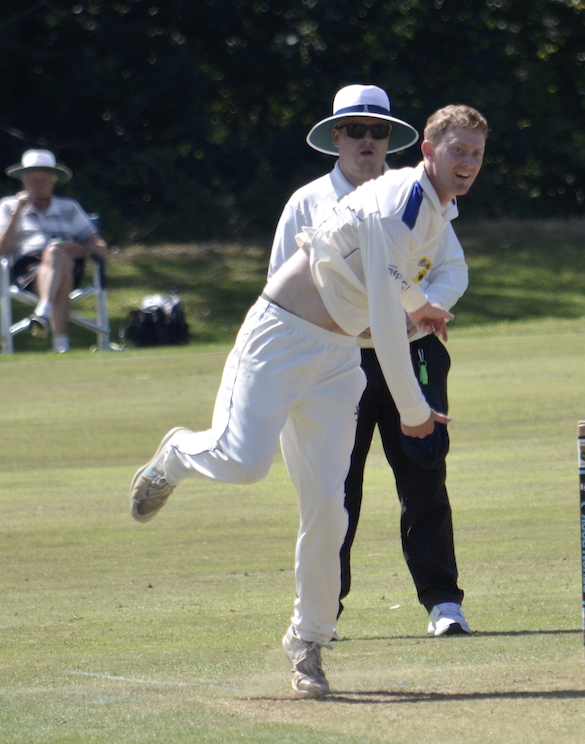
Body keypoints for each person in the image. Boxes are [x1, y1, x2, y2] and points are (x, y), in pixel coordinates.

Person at [129, 104, 488, 698]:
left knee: (328, 503)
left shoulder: (434, 209)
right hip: (283, 336)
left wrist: (418, 300)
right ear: (428, 150)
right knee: (245, 463)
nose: (468, 163)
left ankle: (308, 643)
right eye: (458, 151)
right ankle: (176, 454)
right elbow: (384, 313)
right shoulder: (399, 201)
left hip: (337, 358)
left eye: (476, 153)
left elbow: (392, 285)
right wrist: (415, 411)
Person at [269, 84, 471, 639]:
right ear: (335, 137)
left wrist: (423, 311)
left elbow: (452, 269)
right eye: (354, 130)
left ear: (392, 139)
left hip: (412, 352)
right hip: (336, 363)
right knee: (337, 489)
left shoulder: (418, 194)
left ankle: (442, 603)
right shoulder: (307, 202)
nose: (366, 141)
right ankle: (323, 612)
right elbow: (280, 293)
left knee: (425, 473)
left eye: (377, 131)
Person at [0, 149, 108, 353]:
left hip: (70, 263)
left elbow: (101, 247)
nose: (38, 186)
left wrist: (83, 249)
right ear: (24, 182)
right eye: (33, 180)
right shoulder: (8, 205)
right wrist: (17, 213)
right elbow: (1, 250)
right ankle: (61, 345)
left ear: (53, 182)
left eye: (43, 180)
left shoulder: (69, 208)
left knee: (57, 253)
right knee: (60, 272)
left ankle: (42, 312)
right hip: (29, 269)